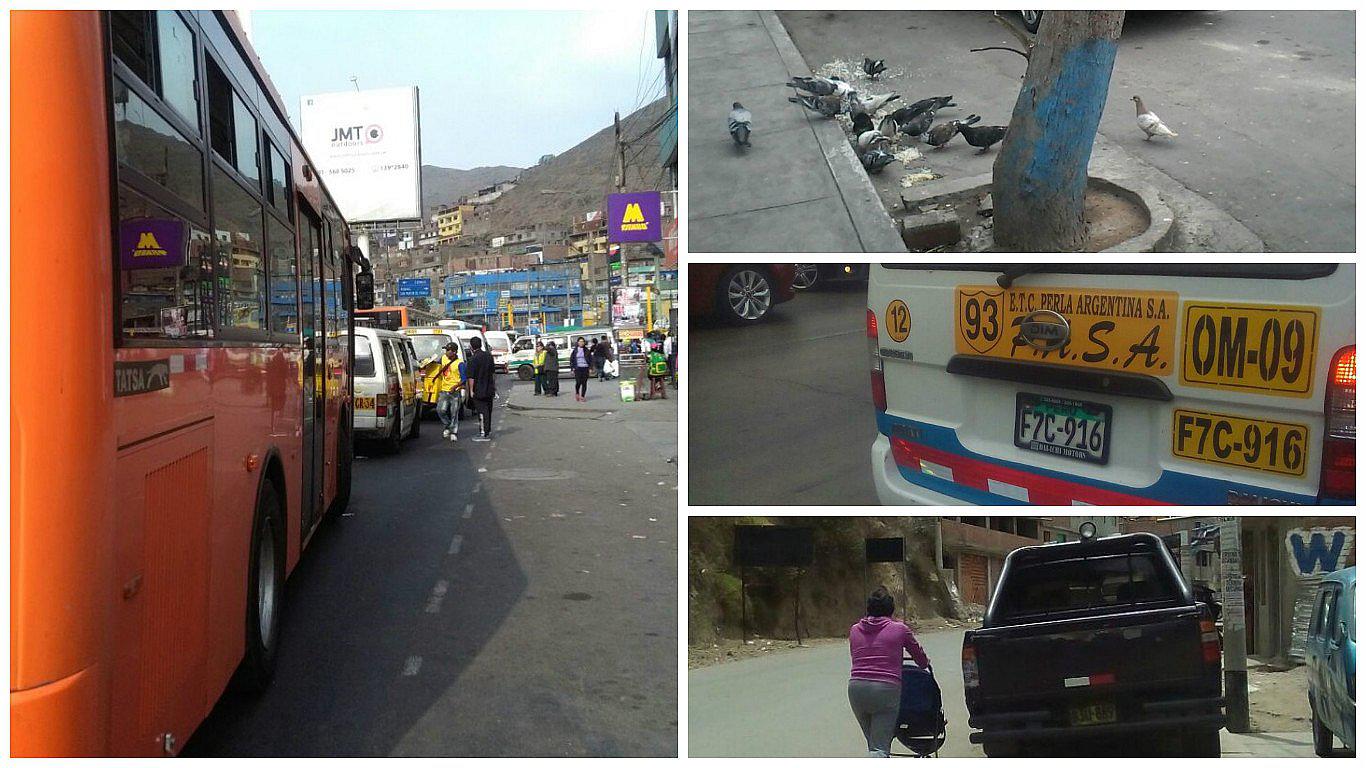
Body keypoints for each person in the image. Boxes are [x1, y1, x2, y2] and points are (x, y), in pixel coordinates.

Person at [849, 587, 931, 758]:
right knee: (879, 748)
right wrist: (925, 662)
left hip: (856, 689)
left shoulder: (854, 630)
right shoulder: (900, 629)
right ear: (891, 610)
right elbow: (921, 660)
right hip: (885, 690)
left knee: (874, 744)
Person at [464, 336, 497, 441]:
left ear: (471, 347)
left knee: (482, 412)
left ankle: (483, 433)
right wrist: (494, 387)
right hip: (489, 388)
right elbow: (493, 373)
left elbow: (471, 377)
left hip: (479, 389)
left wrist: (471, 390)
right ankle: (487, 430)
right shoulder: (488, 356)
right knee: (488, 410)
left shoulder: (472, 359)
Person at [433, 342, 466, 442]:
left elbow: (464, 378)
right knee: (440, 410)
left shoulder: (460, 363)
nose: (446, 352)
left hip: (455, 392)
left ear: (454, 352)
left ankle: (453, 432)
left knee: (454, 413)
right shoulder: (443, 358)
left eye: (448, 350)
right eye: (446, 350)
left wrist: (455, 386)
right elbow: (435, 365)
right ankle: (448, 426)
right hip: (444, 390)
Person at [569, 336, 592, 401]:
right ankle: (577, 393)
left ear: (584, 343)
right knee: (578, 382)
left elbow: (590, 359)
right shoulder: (575, 350)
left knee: (584, 382)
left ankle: (582, 396)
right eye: (580, 341)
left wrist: (590, 368)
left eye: (582, 341)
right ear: (578, 342)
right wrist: (572, 368)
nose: (581, 343)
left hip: (585, 368)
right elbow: (572, 359)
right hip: (577, 368)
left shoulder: (587, 350)